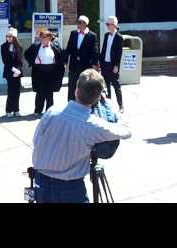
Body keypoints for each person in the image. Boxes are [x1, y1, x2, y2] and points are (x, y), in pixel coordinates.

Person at [32, 69, 131, 203]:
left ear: (76, 91)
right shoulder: (93, 125)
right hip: (70, 188)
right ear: (97, 98)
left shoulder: (52, 111)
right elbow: (126, 131)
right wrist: (109, 105)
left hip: (41, 182)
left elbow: (36, 140)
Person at [24, 30, 65, 116]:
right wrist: (32, 62)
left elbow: (62, 55)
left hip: (51, 72)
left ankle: (49, 110)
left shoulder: (55, 46)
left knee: (50, 93)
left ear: (49, 38)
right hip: (39, 72)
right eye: (41, 38)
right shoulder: (35, 46)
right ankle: (38, 110)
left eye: (45, 38)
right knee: (40, 92)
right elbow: (26, 54)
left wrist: (59, 64)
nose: (43, 40)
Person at [65, 15, 100, 101]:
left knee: (85, 85)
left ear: (85, 24)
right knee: (72, 84)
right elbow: (68, 48)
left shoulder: (92, 36)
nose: (78, 24)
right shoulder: (73, 33)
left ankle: (84, 103)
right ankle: (71, 103)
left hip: (85, 65)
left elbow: (95, 51)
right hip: (74, 64)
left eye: (80, 22)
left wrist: (95, 64)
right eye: (78, 22)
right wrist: (65, 61)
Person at [99, 16, 124, 113]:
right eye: (106, 24)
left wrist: (117, 66)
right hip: (105, 63)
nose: (107, 26)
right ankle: (108, 102)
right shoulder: (106, 35)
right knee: (106, 84)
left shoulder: (119, 37)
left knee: (116, 85)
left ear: (114, 25)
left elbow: (119, 53)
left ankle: (121, 106)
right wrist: (100, 62)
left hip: (113, 65)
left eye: (108, 24)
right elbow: (104, 49)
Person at [1, 27, 23, 117]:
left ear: (14, 37)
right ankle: (8, 110)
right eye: (7, 36)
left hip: (17, 72)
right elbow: (5, 60)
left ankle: (16, 109)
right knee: (11, 91)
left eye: (10, 36)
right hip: (9, 71)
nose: (8, 38)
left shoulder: (19, 47)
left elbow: (20, 61)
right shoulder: (3, 46)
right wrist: (13, 69)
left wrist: (18, 70)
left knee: (17, 91)